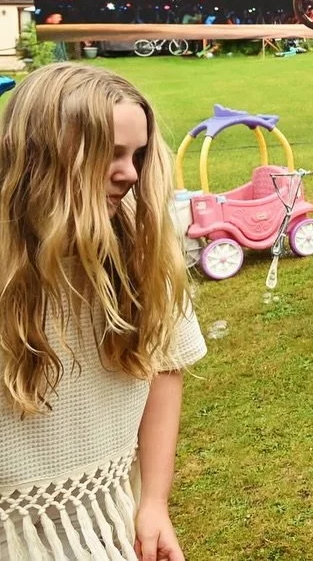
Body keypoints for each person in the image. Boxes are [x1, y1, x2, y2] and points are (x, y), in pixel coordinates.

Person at [1, 64, 207, 560]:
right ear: (40, 155)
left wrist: (154, 501)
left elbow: (165, 366)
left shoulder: (140, 245)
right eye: (110, 154)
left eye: (136, 155)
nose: (131, 173)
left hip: (107, 522)